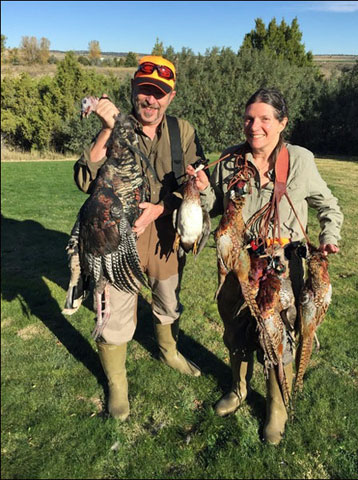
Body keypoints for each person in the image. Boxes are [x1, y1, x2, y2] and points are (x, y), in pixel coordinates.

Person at [187, 87, 343, 445]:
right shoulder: (229, 160)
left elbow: (328, 205)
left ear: (282, 123)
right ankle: (238, 389)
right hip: (238, 262)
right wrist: (201, 188)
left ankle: (277, 409)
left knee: (279, 339)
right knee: (236, 329)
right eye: (248, 118)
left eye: (264, 119)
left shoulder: (300, 160)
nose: (254, 126)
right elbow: (214, 206)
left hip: (284, 267)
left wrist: (328, 235)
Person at [73, 56, 206, 421]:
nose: (151, 100)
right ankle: (117, 384)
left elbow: (192, 180)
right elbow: (85, 180)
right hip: (115, 237)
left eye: (159, 93)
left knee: (167, 299)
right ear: (133, 90)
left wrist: (164, 207)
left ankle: (168, 351)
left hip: (164, 235)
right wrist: (107, 128)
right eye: (144, 91)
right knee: (113, 314)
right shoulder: (119, 124)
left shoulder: (184, 131)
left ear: (171, 96)